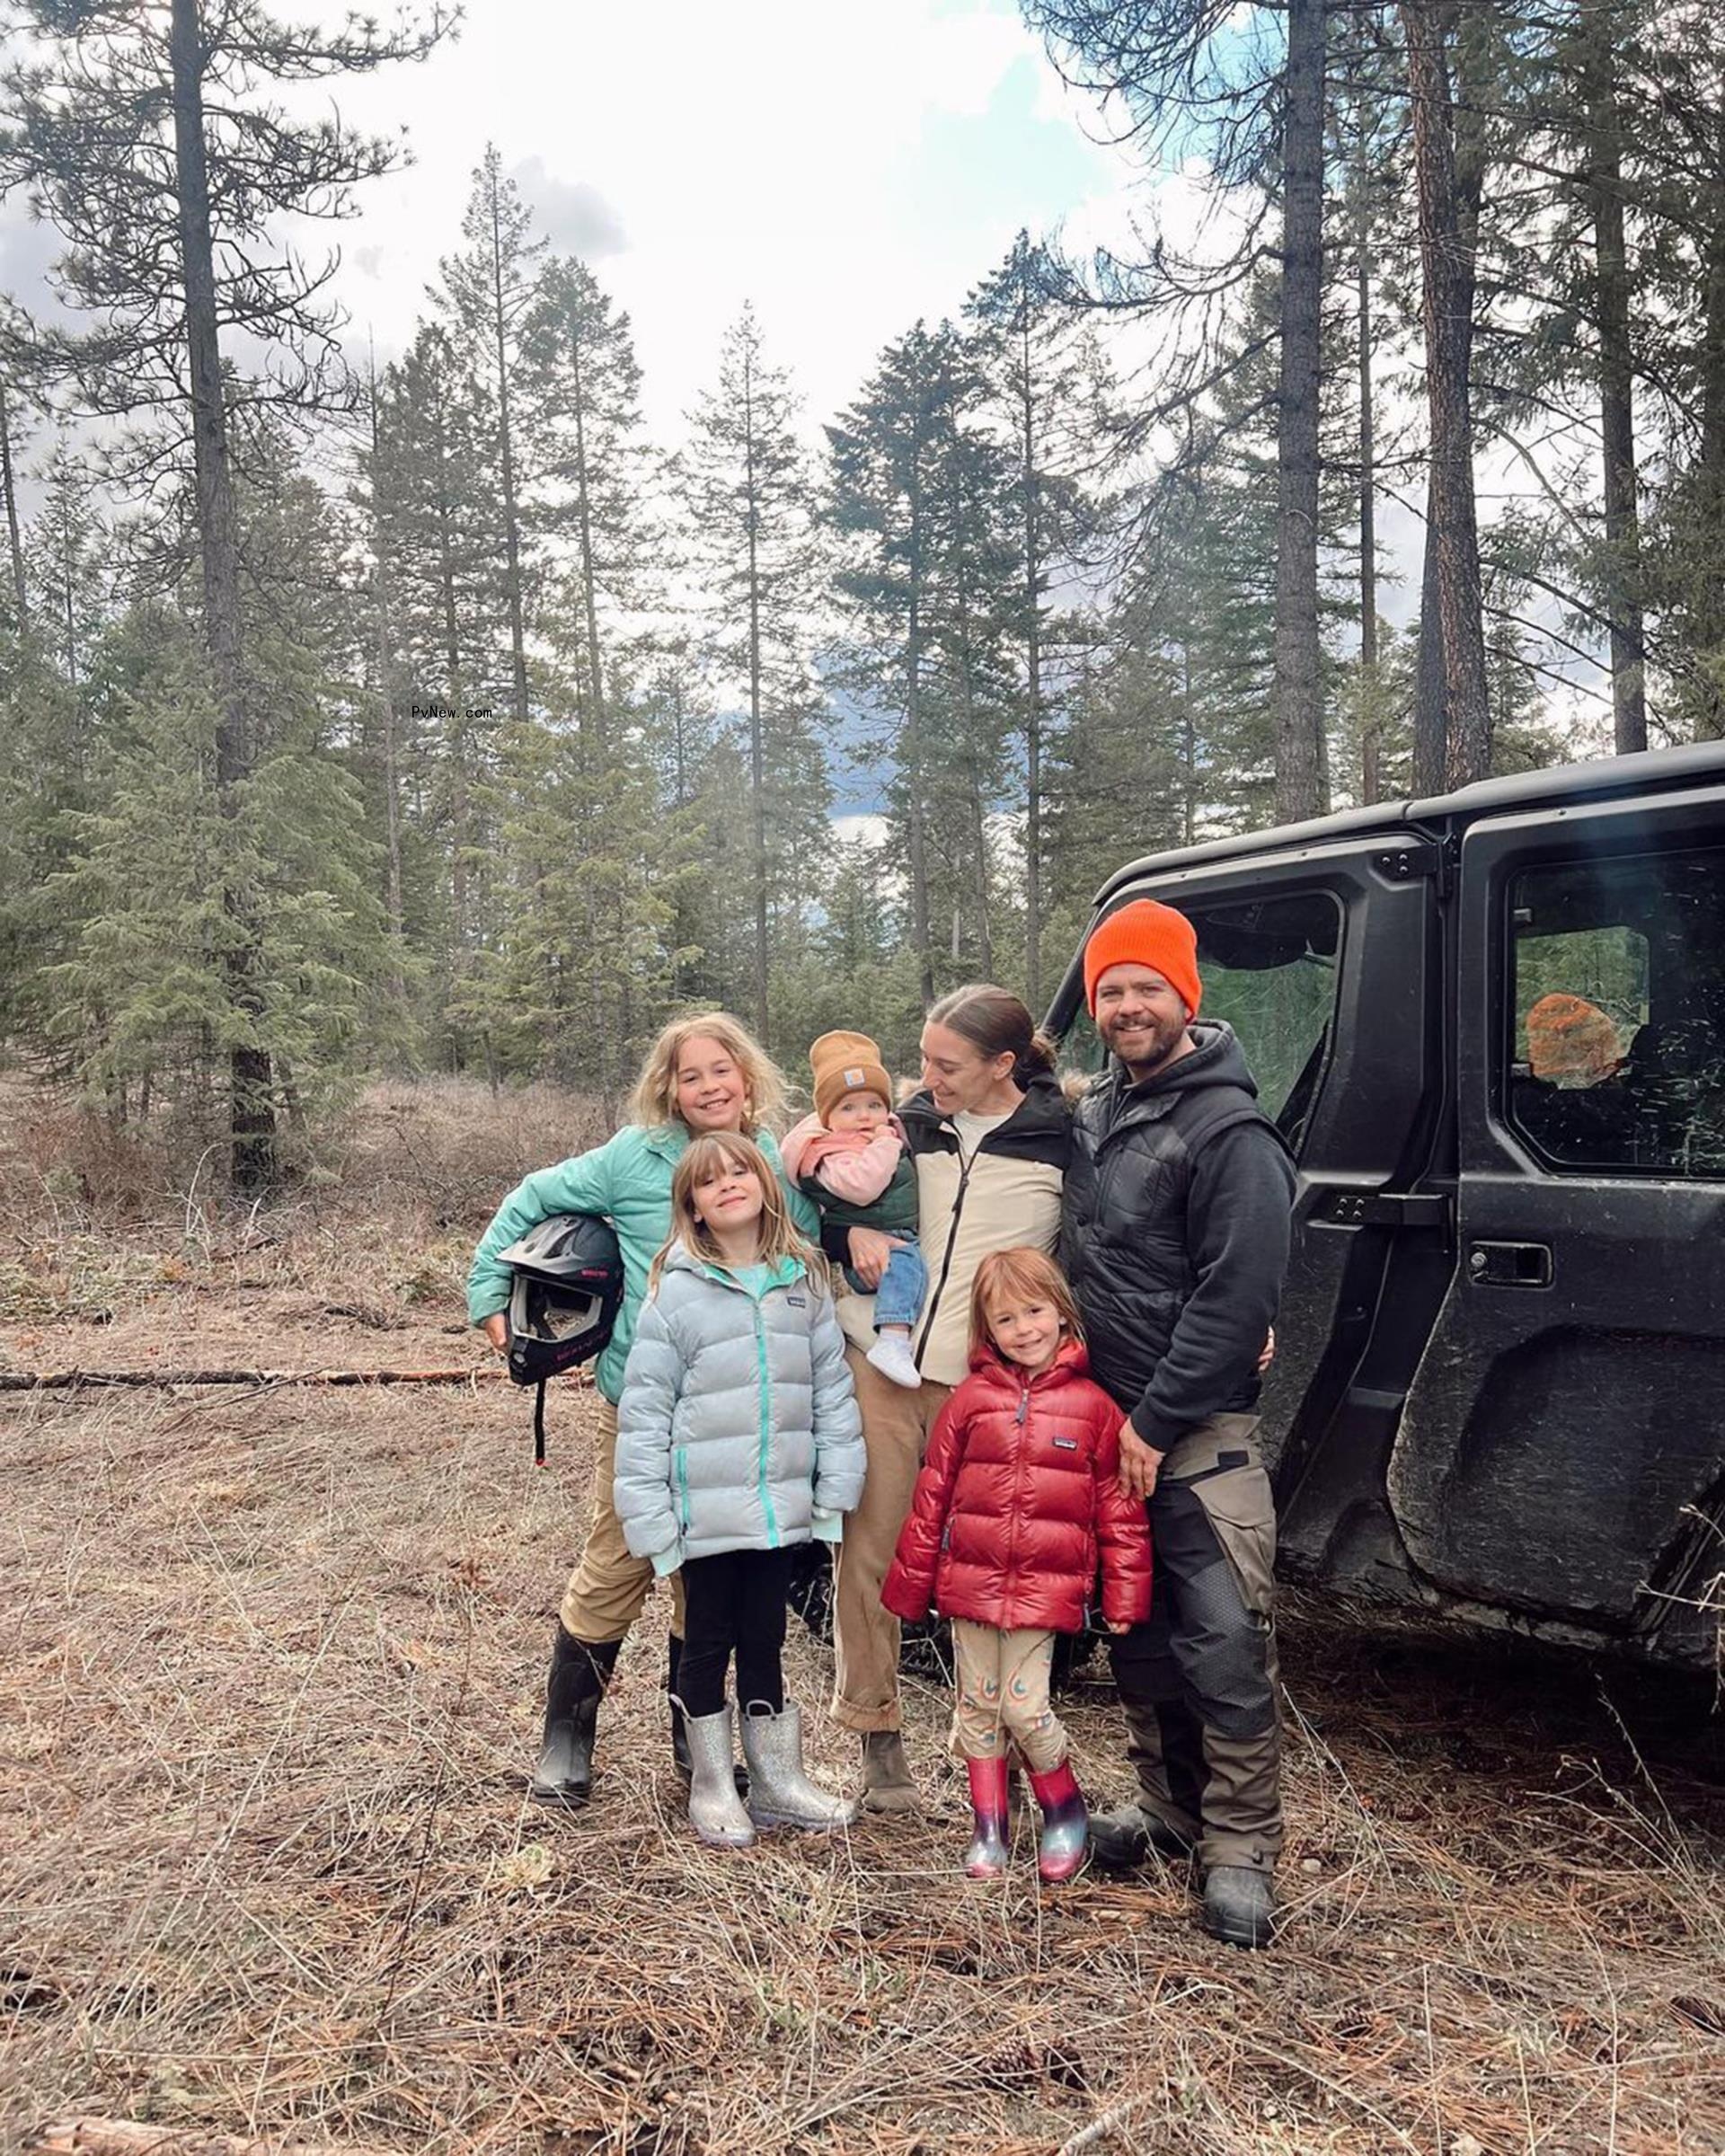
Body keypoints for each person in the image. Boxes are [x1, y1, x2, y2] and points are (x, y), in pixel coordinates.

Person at [466, 1013, 819, 1807]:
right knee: (619, 1562)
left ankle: (696, 1747)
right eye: (690, 1076)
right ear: (668, 1088)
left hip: (739, 1420)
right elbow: (530, 1199)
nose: (708, 1087)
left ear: (747, 1076)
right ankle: (566, 1740)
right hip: (644, 1409)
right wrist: (488, 1292)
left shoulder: (769, 1157)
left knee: (710, 1581)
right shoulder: (634, 1159)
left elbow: (809, 1254)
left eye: (721, 1071)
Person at [1060, 898, 1296, 1951]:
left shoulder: (1230, 1131)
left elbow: (1236, 1298)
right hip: (1109, 1432)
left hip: (1192, 1441)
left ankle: (1240, 1849)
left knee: (1227, 1641)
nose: (1125, 1006)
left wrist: (1154, 1419)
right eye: (1110, 991)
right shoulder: (1099, 1110)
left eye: (1145, 987)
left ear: (1186, 998)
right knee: (1140, 1637)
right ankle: (1166, 1811)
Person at [827, 984, 1070, 1813]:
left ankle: (995, 1760)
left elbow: (1107, 1253)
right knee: (871, 1558)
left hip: (988, 1390)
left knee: (984, 1577)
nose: (924, 1079)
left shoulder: (1062, 1143)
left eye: (946, 1065)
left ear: (1005, 1065)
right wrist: (844, 1232)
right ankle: (879, 1749)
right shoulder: (907, 1130)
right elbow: (815, 1195)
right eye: (923, 1058)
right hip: (884, 1369)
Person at [614, 1135, 865, 1847]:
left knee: (767, 1639)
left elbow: (831, 1390)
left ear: (764, 1183)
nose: (727, 1185)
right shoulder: (676, 1292)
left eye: (740, 1171)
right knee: (706, 1640)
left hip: (778, 1507)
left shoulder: (802, 1280)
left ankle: (779, 1782)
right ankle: (713, 1783)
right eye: (708, 1180)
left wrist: (833, 1487)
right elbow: (644, 1412)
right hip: (704, 1514)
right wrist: (652, 1518)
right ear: (690, 1206)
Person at [881, 1248, 1152, 1882]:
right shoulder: (971, 1401)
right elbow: (932, 1496)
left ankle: (1064, 1811)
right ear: (987, 1331)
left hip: (1042, 1589)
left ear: (1062, 1315)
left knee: (1025, 1709)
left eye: (1036, 1311)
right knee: (977, 1705)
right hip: (970, 1584)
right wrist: (912, 1585)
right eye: (1006, 1320)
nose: (1024, 1329)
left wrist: (1124, 1597)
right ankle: (991, 1828)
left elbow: (1121, 1512)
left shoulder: (1093, 1408)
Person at [781, 1029, 926, 1391]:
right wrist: (885, 1146)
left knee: (911, 1265)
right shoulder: (829, 1152)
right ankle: (892, 1339)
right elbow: (862, 1189)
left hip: (893, 1235)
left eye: (874, 1105)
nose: (864, 1116)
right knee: (907, 1265)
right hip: (871, 1255)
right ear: (827, 1117)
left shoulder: (871, 1136)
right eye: (848, 1107)